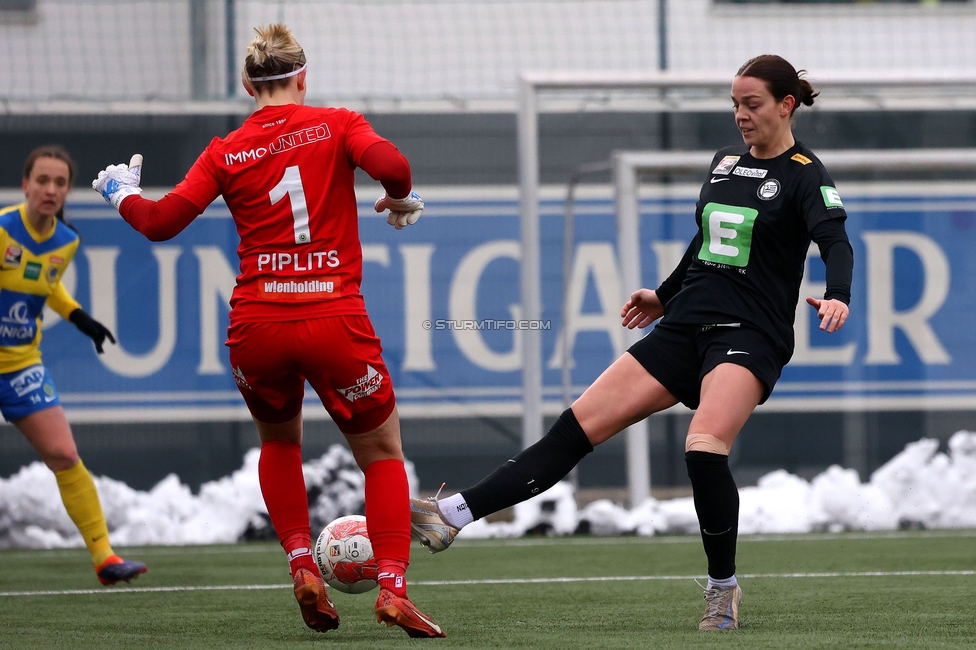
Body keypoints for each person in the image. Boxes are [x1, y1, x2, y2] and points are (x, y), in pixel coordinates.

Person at [410, 54, 853, 631]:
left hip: (750, 335)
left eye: (753, 105)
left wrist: (838, 292)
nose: (741, 116)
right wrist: (664, 296)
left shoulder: (805, 173)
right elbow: (705, 245)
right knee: (574, 427)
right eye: (735, 105)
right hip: (685, 323)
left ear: (786, 105)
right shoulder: (723, 164)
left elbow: (836, 243)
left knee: (703, 447)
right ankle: (452, 514)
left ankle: (723, 590)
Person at [92, 24, 444, 638]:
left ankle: (303, 566)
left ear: (247, 85)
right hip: (334, 318)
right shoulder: (336, 123)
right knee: (383, 455)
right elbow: (393, 164)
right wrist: (399, 196)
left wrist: (121, 193)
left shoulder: (226, 149)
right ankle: (392, 587)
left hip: (258, 326)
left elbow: (159, 223)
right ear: (302, 78)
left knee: (280, 445)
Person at [1, 145, 147, 585]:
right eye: (41, 181)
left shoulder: (66, 240)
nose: (49, 190)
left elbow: (43, 285)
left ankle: (105, 559)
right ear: (25, 185)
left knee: (64, 455)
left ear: (67, 191)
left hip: (22, 364)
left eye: (59, 183)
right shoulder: (3, 229)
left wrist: (79, 317)